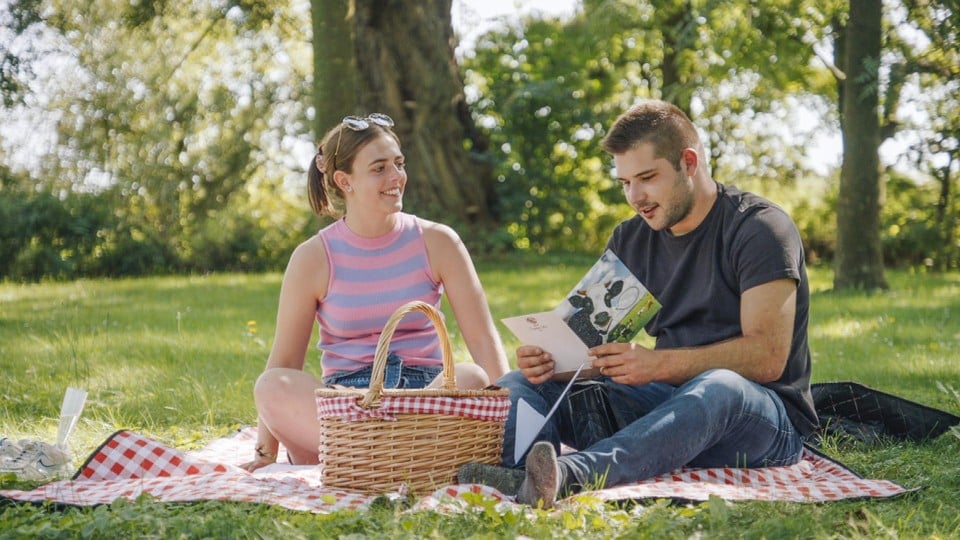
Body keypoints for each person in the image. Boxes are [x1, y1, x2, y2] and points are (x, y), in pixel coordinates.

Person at [460, 99, 818, 507]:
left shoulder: (759, 229)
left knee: (718, 387)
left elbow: (767, 357)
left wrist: (658, 364)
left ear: (688, 162)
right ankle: (523, 475)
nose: (635, 196)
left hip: (760, 419)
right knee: (523, 383)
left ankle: (573, 475)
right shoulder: (632, 239)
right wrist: (552, 363)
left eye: (647, 177)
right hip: (664, 406)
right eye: (625, 182)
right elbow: (587, 348)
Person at [241, 113, 510, 472]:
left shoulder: (438, 241)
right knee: (272, 385)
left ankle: (356, 460)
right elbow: (284, 362)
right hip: (346, 405)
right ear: (344, 181)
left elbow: (482, 341)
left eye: (399, 164)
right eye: (379, 168)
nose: (396, 177)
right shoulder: (313, 257)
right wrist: (264, 455)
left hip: (424, 398)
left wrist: (513, 429)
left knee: (472, 376)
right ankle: (400, 459)